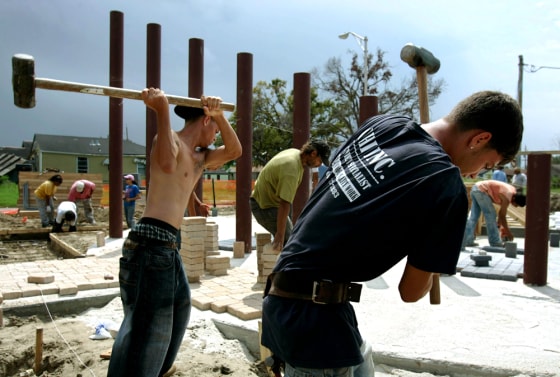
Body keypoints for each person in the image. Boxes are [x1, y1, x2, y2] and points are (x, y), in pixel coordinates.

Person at [261, 91, 523, 377]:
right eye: (486, 165)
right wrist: (432, 254)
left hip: (295, 299)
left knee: (363, 357)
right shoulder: (445, 182)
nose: (476, 174)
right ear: (479, 139)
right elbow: (410, 292)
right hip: (310, 324)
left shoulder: (385, 125)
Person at [107, 88, 241, 377]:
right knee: (149, 327)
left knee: (180, 309)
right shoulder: (170, 142)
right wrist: (161, 109)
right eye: (215, 128)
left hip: (168, 245)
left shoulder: (200, 157)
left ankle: (160, 369)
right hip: (149, 242)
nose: (216, 136)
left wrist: (220, 115)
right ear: (204, 122)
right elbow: (167, 164)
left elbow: (235, 151)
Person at [250, 140, 330, 251]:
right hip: (263, 207)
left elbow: (286, 201)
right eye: (320, 160)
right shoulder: (292, 168)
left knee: (291, 237)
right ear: (313, 153)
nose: (320, 164)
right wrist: (280, 235)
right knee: (291, 245)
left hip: (271, 200)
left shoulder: (295, 154)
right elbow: (284, 203)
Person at [462, 180, 526, 248]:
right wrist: (508, 232)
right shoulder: (508, 195)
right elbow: (502, 215)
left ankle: (467, 240)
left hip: (476, 188)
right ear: (514, 199)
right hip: (482, 190)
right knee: (491, 215)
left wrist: (499, 225)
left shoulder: (512, 191)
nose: (516, 206)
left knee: (473, 216)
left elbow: (501, 214)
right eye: (516, 204)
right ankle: (495, 242)